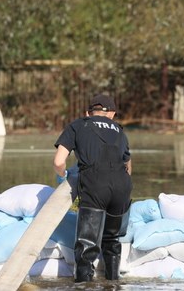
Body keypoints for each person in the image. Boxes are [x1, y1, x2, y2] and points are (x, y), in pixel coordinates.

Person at [53, 94, 132, 282]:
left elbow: (58, 161)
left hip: (95, 185)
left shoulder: (79, 124)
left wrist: (62, 175)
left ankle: (83, 285)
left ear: (87, 112)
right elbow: (128, 165)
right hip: (122, 187)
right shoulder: (120, 131)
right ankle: (113, 282)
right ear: (112, 114)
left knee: (87, 243)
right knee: (112, 241)